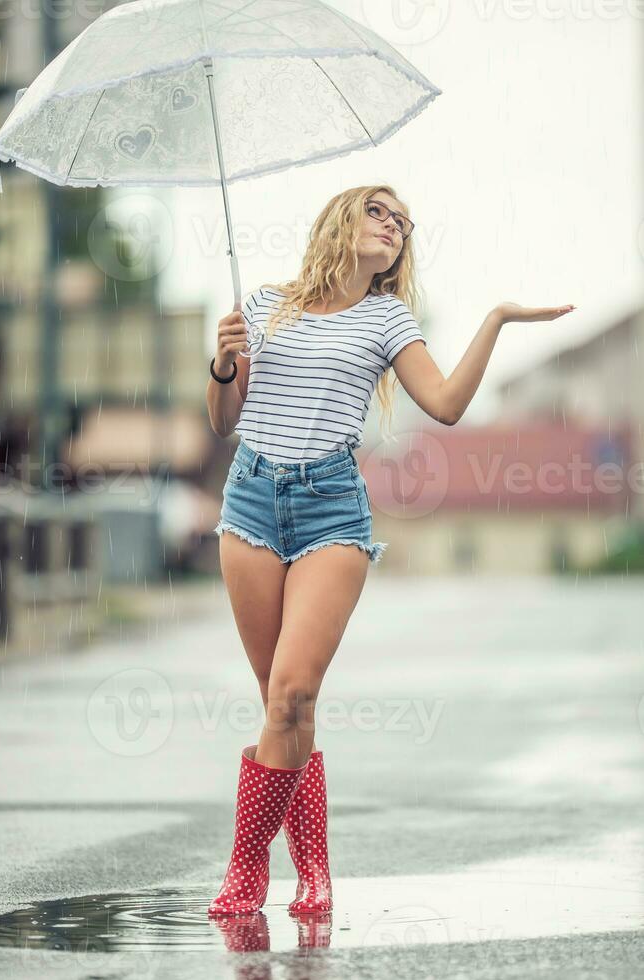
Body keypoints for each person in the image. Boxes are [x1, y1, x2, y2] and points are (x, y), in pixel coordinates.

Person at [205, 185, 575, 917]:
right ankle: (311, 874)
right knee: (278, 707)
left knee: (292, 695)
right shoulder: (263, 305)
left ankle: (245, 868)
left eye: (402, 223)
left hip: (330, 510)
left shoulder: (387, 318)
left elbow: (444, 405)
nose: (393, 226)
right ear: (340, 220)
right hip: (249, 500)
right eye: (379, 211)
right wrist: (222, 364)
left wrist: (495, 319)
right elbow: (223, 421)